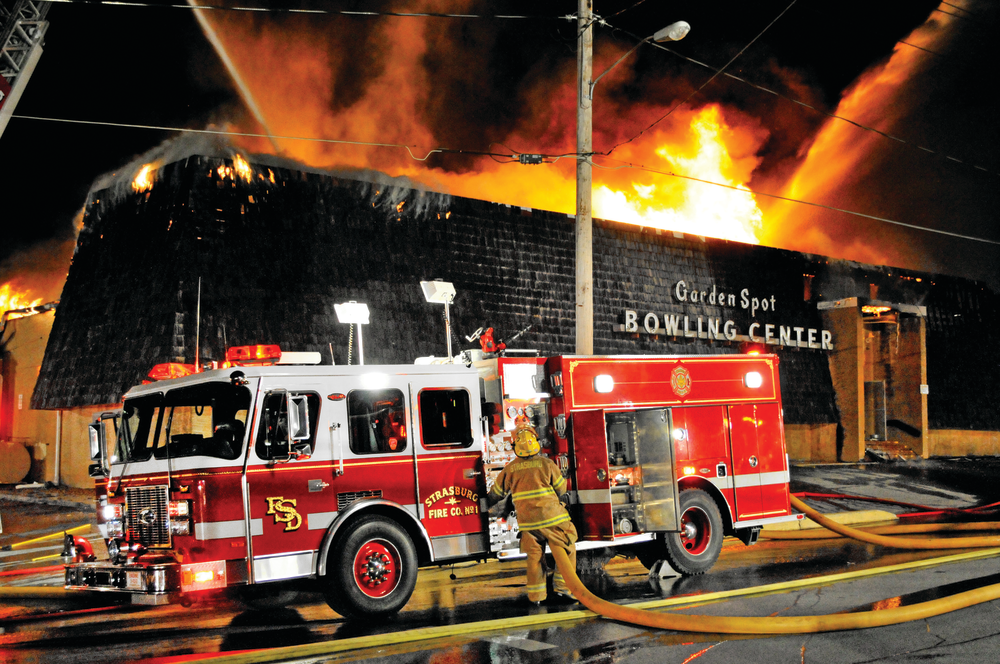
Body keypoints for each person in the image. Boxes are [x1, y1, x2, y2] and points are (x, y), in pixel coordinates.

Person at [487, 418, 578, 606]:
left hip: (528, 525)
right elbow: (561, 489)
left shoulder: (510, 469)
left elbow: (496, 494)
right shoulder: (547, 464)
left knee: (535, 559)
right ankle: (563, 589)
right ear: (536, 442)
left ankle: (536, 597)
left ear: (515, 445)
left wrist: (482, 505)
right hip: (553, 520)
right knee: (567, 548)